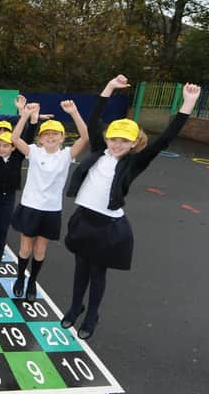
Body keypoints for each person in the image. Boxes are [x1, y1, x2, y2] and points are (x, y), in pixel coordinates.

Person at [61, 76, 201, 339]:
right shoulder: (100, 150)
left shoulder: (134, 163)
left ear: (134, 143)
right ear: (107, 137)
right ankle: (74, 307)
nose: (117, 144)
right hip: (83, 219)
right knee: (80, 269)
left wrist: (188, 104)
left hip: (108, 226)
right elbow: (93, 120)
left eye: (124, 141)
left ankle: (92, 316)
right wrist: (109, 88)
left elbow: (164, 140)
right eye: (114, 139)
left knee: (97, 273)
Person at [10, 101, 89, 301]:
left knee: (39, 249)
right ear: (40, 138)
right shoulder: (34, 152)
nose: (51, 136)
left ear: (62, 138)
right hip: (30, 206)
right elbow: (14, 138)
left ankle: (32, 281)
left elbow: (86, 137)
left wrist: (74, 112)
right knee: (25, 248)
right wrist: (25, 116)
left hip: (51, 210)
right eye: (46, 134)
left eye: (55, 134)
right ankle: (20, 277)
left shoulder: (66, 155)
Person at [0, 91, 37, 265]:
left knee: (3, 226)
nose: (2, 148)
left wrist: (31, 119)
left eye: (7, 146)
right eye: (0, 145)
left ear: (13, 147)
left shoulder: (18, 155)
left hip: (9, 194)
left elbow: (27, 137)